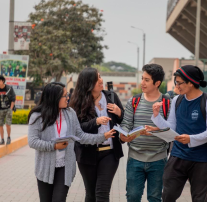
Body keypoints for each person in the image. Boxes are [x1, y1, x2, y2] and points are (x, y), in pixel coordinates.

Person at [28, 82, 116, 202]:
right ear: (54, 98)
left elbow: (80, 136)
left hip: (65, 166)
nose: (68, 97)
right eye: (65, 95)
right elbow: (32, 141)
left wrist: (103, 136)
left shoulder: (70, 113)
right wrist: (54, 146)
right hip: (44, 167)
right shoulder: (37, 116)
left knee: (59, 199)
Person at [152, 65, 207, 201]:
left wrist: (191, 139)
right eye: (176, 82)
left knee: (199, 199)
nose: (177, 86)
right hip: (177, 156)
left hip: (200, 159)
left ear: (191, 82)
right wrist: (157, 116)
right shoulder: (177, 100)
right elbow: (171, 126)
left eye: (179, 83)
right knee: (167, 196)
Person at [69, 67, 124, 202]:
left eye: (100, 76)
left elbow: (124, 121)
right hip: (87, 153)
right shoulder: (77, 102)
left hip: (110, 153)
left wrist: (119, 113)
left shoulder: (111, 97)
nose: (101, 80)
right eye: (97, 78)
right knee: (91, 194)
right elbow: (77, 130)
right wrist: (96, 122)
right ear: (88, 83)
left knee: (102, 192)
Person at [120, 64, 170, 202]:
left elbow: (171, 131)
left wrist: (155, 132)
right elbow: (126, 124)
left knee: (155, 198)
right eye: (142, 78)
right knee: (133, 197)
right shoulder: (134, 101)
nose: (142, 82)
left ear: (157, 83)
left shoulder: (167, 103)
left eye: (146, 80)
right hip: (135, 158)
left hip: (158, 159)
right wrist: (124, 134)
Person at [0, 75, 16, 145]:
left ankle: (8, 137)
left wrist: (11, 109)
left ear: (2, 81)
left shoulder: (9, 88)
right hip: (0, 109)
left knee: (7, 124)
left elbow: (13, 99)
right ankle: (2, 139)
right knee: (0, 125)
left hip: (8, 109)